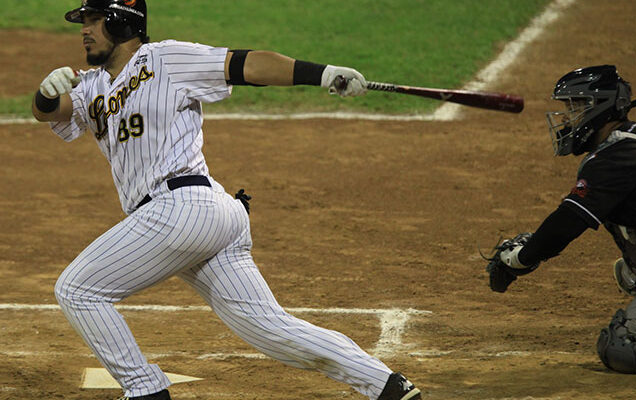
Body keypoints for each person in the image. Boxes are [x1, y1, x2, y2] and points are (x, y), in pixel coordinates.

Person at [32, 1, 422, 399]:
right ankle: (388, 386)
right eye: (84, 22)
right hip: (205, 217)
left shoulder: (164, 59)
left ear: (120, 22)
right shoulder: (93, 85)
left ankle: (145, 390)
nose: (85, 29)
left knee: (78, 290)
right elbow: (50, 113)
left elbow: (246, 65)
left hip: (180, 210)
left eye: (94, 20)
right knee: (268, 327)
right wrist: (46, 94)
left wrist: (322, 74)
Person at [485, 65, 636, 376]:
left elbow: (568, 222)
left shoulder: (614, 160)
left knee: (624, 342)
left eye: (576, 107)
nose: (569, 118)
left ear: (602, 107)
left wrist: (520, 259)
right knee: (630, 275)